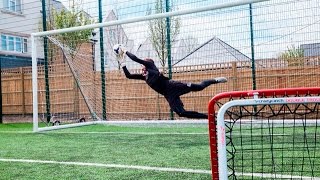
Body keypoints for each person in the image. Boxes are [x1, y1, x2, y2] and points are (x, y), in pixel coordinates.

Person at [115, 46, 227, 119]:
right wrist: (123, 63)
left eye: (143, 64)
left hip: (173, 86)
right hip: (168, 94)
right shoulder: (144, 77)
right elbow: (129, 76)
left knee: (199, 87)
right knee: (181, 113)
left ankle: (215, 80)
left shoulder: (150, 66)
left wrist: (124, 50)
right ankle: (210, 117)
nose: (142, 66)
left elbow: (135, 58)